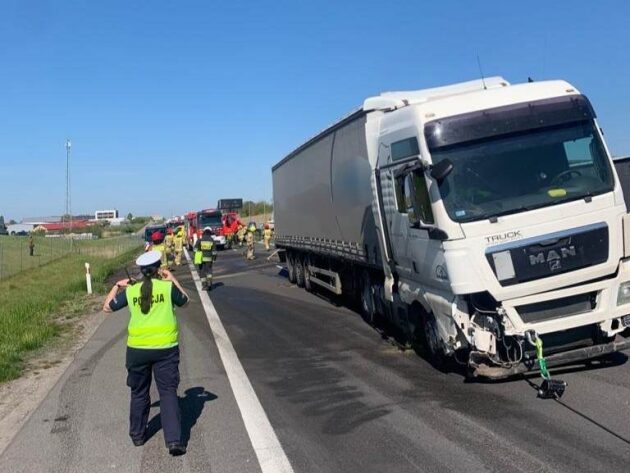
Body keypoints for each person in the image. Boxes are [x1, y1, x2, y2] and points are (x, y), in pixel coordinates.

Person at [102, 250, 189, 456]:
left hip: (137, 351)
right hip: (166, 349)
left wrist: (116, 286)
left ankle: (138, 435)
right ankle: (174, 441)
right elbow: (185, 301)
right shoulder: (167, 289)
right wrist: (173, 279)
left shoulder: (132, 291)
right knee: (168, 393)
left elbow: (107, 308)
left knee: (139, 392)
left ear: (141, 271)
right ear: (159, 268)